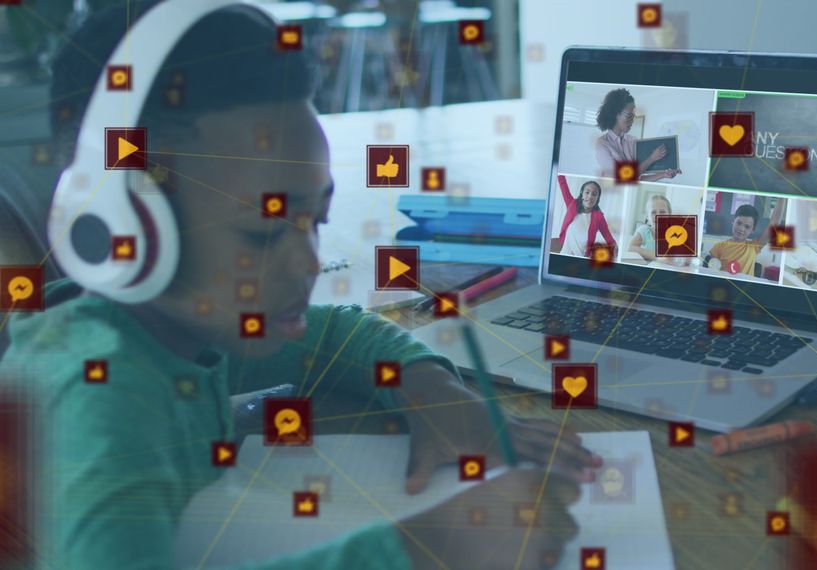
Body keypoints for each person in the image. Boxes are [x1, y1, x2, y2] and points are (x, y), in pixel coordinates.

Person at [0, 3, 599, 569]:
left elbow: (334, 335)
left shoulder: (169, 331)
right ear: (119, 225)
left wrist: (430, 388)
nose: (308, 262)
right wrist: (430, 545)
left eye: (315, 219)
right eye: (262, 234)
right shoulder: (95, 399)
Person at [594, 88, 681, 182]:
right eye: (629, 116)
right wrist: (651, 159)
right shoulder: (602, 144)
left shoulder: (632, 141)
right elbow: (623, 177)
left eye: (633, 116)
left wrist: (663, 174)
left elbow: (638, 179)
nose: (632, 120)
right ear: (615, 114)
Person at [702, 200, 787, 276]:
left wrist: (783, 198)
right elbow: (712, 271)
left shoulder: (754, 247)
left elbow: (774, 223)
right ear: (733, 221)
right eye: (739, 223)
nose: (741, 229)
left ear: (752, 230)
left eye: (747, 227)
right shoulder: (718, 247)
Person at [554, 175, 618, 258]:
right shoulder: (572, 205)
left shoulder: (599, 217)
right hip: (564, 256)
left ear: (597, 198)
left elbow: (607, 236)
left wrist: (615, 249)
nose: (590, 196)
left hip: (583, 260)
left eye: (594, 194)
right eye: (587, 192)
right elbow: (562, 182)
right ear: (582, 193)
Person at [626, 194, 689, 266]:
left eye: (662, 212)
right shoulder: (644, 230)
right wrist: (655, 256)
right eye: (653, 212)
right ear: (647, 216)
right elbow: (630, 248)